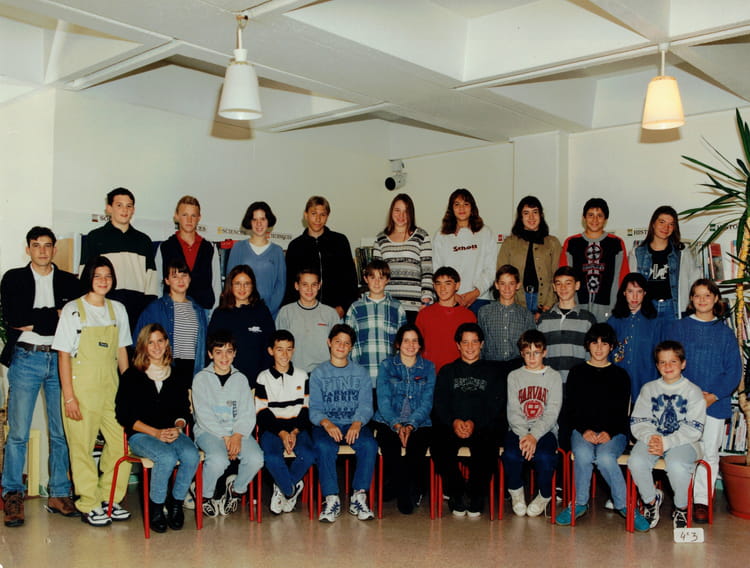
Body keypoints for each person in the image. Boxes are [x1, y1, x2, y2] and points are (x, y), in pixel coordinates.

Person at [1, 226, 82, 527]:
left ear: (54, 249)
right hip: (26, 358)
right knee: (18, 432)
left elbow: (73, 320)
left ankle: (59, 493)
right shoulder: (14, 278)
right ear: (28, 249)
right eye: (37, 245)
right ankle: (12, 494)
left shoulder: (69, 281)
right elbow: (14, 318)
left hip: (60, 360)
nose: (43, 251)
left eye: (48, 245)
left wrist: (36, 318)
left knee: (61, 431)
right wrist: (54, 315)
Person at [52, 256, 132, 526]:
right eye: (97, 275)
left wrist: (128, 389)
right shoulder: (73, 310)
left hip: (112, 388)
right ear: (89, 278)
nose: (103, 280)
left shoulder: (118, 310)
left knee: (121, 443)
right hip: (81, 388)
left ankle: (110, 498)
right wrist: (69, 397)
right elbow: (63, 355)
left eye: (108, 275)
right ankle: (89, 503)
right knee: (81, 448)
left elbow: (122, 351)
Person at [555, 324, 648, 530]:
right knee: (583, 454)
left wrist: (610, 432)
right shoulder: (577, 372)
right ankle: (579, 503)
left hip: (613, 432)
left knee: (605, 458)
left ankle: (625, 506)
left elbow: (622, 412)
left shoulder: (620, 375)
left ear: (611, 347)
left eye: (604, 343)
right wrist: (584, 430)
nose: (599, 348)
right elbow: (571, 409)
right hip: (582, 430)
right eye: (594, 343)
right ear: (587, 345)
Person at [668, 279, 742, 523]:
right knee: (682, 451)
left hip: (715, 404)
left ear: (715, 299)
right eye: (697, 295)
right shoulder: (678, 328)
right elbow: (669, 362)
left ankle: (701, 501)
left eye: (707, 295)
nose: (702, 300)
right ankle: (682, 500)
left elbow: (733, 371)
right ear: (691, 299)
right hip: (683, 403)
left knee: (708, 453)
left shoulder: (725, 333)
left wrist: (712, 396)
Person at [115, 324, 200, 533]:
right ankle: (156, 508)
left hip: (171, 431)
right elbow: (125, 415)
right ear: (143, 346)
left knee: (191, 455)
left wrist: (178, 427)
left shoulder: (177, 374)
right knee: (167, 457)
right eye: (150, 342)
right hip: (142, 435)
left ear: (166, 343)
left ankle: (176, 503)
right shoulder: (132, 375)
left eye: (160, 341)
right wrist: (155, 433)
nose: (156, 347)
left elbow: (184, 411)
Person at [431, 323, 508, 517]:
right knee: (438, 445)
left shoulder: (493, 372)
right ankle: (456, 492)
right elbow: (440, 403)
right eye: (465, 342)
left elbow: (496, 406)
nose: (470, 347)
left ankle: (476, 494)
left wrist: (475, 422)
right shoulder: (447, 371)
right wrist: (454, 421)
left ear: (482, 344)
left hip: (482, 426)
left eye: (474, 342)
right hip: (452, 426)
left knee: (488, 446)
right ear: (458, 345)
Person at [628, 340, 706, 529]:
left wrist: (666, 442)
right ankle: (651, 501)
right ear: (657, 365)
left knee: (677, 465)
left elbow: (693, 429)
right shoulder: (648, 389)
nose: (668, 366)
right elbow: (639, 421)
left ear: (683, 364)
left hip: (685, 442)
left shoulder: (693, 391)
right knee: (636, 461)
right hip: (653, 439)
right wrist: (652, 438)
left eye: (673, 361)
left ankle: (681, 507)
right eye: (662, 362)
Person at [193, 331, 264, 517]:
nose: (224, 357)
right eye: (218, 352)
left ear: (235, 353)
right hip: (209, 432)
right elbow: (204, 415)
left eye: (229, 351)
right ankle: (204, 494)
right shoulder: (201, 378)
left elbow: (247, 412)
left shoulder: (241, 379)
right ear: (210, 354)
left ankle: (236, 490)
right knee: (218, 460)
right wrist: (225, 437)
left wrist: (237, 435)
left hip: (237, 432)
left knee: (256, 458)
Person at [310, 324, 377, 523]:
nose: (341, 346)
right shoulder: (318, 373)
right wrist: (326, 423)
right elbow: (314, 409)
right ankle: (331, 499)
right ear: (329, 343)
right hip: (328, 425)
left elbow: (366, 405)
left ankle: (359, 496)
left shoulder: (361, 373)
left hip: (353, 423)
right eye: (337, 341)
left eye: (346, 343)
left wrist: (357, 422)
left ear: (351, 348)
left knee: (369, 444)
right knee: (323, 446)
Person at [372, 324, 436, 514]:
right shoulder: (387, 365)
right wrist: (397, 425)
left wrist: (410, 425)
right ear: (398, 344)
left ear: (420, 345)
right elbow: (383, 401)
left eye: (415, 341)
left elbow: (427, 402)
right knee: (390, 447)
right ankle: (403, 492)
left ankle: (398, 487)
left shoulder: (429, 367)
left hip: (420, 422)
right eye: (406, 340)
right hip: (388, 420)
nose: (411, 345)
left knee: (416, 448)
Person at [79, 187, 160, 329]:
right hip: (104, 308)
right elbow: (85, 277)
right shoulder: (95, 237)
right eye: (119, 205)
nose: (124, 210)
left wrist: (148, 311)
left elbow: (151, 281)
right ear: (109, 208)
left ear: (133, 210)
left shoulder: (144, 240)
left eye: (129, 206)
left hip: (137, 311)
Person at [255, 330, 315, 514]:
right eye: (279, 349)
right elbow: (262, 413)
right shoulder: (263, 377)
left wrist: (294, 432)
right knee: (272, 458)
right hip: (273, 430)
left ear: (294, 350)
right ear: (271, 351)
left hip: (298, 428)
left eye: (289, 349)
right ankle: (290, 490)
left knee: (308, 454)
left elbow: (306, 409)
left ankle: (281, 488)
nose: (284, 354)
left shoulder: (302, 376)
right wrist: (282, 433)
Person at [503, 330, 562, 518]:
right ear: (521, 353)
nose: (532, 357)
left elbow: (552, 412)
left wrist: (534, 436)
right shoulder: (514, 376)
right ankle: (516, 491)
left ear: (544, 352)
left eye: (536, 352)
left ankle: (544, 495)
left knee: (544, 457)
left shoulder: (554, 377)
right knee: (511, 455)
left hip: (545, 431)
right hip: (519, 430)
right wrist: (525, 436)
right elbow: (513, 411)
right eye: (527, 353)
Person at [284, 196, 358, 317]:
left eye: (322, 214)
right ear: (306, 215)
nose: (318, 219)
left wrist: (343, 307)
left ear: (327, 216)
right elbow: (290, 286)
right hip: (304, 314)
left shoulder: (340, 242)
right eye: (313, 213)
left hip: (335, 312)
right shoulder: (295, 246)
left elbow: (351, 281)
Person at [135, 259, 208, 378]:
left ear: (190, 278)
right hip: (165, 367)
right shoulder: (155, 308)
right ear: (167, 280)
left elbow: (203, 347)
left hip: (193, 368)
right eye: (175, 276)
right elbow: (138, 342)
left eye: (184, 275)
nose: (180, 280)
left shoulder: (199, 311)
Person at [559, 198, 629, 322]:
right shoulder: (571, 243)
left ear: (605, 219)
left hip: (607, 310)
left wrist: (617, 306)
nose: (595, 220)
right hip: (577, 309)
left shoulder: (616, 243)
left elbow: (622, 277)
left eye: (599, 216)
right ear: (584, 217)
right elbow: (564, 277)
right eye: (591, 215)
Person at [628, 205, 701, 321]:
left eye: (671, 224)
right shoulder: (637, 253)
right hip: (646, 309)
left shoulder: (682, 253)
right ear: (653, 224)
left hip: (673, 309)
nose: (666, 228)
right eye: (662, 222)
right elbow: (631, 286)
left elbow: (694, 282)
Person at [208, 265, 274, 389]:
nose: (242, 288)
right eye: (237, 283)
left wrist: (264, 380)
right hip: (226, 381)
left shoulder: (262, 312)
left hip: (257, 381)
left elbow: (270, 349)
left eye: (247, 284)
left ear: (253, 286)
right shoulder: (220, 314)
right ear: (230, 285)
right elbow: (211, 350)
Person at [432, 188, 496, 315]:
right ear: (451, 208)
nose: (461, 208)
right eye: (457, 204)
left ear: (472, 208)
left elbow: (491, 269)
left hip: (479, 298)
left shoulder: (485, 232)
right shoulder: (441, 235)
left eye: (466, 204)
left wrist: (475, 293)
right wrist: (453, 295)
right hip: (450, 298)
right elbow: (437, 269)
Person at [345, 259, 407, 389]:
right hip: (362, 375)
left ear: (387, 280)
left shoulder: (397, 307)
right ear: (365, 279)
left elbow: (403, 343)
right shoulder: (355, 308)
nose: (377, 282)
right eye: (372, 277)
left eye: (381, 278)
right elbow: (348, 342)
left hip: (390, 377)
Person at [372, 193, 433, 321]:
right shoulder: (380, 239)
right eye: (397, 210)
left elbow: (427, 271)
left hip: (415, 306)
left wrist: (426, 300)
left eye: (406, 211)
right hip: (388, 305)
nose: (401, 215)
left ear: (411, 214)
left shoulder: (422, 236)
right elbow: (376, 273)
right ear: (391, 212)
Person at [497, 196, 561, 315]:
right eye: (526, 213)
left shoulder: (553, 243)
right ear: (520, 217)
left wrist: (549, 304)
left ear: (541, 215)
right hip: (517, 300)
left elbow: (557, 275)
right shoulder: (509, 243)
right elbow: (502, 275)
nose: (531, 217)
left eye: (535, 212)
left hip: (545, 301)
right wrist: (511, 303)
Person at [156, 195, 221, 312]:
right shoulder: (165, 247)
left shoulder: (210, 248)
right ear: (176, 216)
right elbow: (157, 284)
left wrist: (215, 314)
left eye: (193, 216)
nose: (189, 220)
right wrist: (160, 311)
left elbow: (216, 286)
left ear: (199, 218)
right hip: (172, 310)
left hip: (204, 311)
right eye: (185, 215)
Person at [608, 273, 663, 402]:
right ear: (624, 293)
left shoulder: (655, 322)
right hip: (619, 384)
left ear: (645, 293)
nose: (635, 296)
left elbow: (661, 355)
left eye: (639, 291)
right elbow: (608, 355)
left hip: (647, 383)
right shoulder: (613, 322)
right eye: (630, 291)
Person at [536, 266, 597, 383]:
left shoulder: (588, 320)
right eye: (558, 283)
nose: (563, 288)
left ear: (577, 285)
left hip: (579, 382)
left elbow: (593, 355)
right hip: (549, 382)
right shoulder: (544, 319)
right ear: (554, 287)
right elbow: (538, 353)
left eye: (568, 283)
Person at [226, 201, 286, 318]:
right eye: (255, 219)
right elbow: (230, 283)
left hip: (269, 314)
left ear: (268, 221)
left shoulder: (277, 251)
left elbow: (281, 286)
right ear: (250, 222)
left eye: (263, 219)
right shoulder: (238, 248)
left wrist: (267, 310)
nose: (259, 223)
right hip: (241, 313)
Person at [275, 268, 340, 373]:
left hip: (324, 374)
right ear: (296, 286)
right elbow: (278, 347)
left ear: (319, 285)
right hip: (294, 373)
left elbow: (339, 347)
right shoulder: (286, 312)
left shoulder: (330, 313)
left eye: (314, 284)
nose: (309, 289)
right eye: (305, 284)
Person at [415, 266, 476, 373]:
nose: (442, 288)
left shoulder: (468, 316)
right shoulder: (424, 314)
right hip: (430, 374)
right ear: (434, 286)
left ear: (457, 285)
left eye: (448, 283)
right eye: (438, 284)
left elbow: (473, 350)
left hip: (459, 374)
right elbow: (416, 346)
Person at [478, 265, 535, 362]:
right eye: (502, 283)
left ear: (518, 285)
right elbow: (480, 343)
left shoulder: (526, 315)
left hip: (517, 365)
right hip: (491, 365)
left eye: (511, 283)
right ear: (496, 285)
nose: (507, 288)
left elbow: (530, 345)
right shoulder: (484, 312)